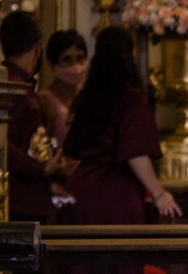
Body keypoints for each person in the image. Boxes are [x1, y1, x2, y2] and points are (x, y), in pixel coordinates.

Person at [59, 25, 180, 258]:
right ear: (130, 57)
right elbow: (135, 152)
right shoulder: (130, 100)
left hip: (79, 195)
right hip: (115, 198)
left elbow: (72, 147)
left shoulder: (87, 98)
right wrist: (159, 194)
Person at [0, 9, 64, 222]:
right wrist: (41, 168)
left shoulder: (14, 84)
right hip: (21, 202)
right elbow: (2, 143)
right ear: (38, 46)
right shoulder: (15, 88)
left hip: (25, 198)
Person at [38, 29, 88, 147]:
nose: (75, 66)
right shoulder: (44, 101)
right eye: (67, 59)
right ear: (52, 65)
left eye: (79, 58)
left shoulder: (87, 99)